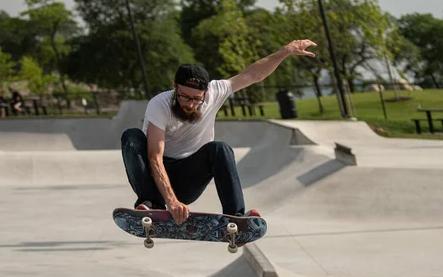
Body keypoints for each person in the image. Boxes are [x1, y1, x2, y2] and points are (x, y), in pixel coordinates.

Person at [121, 39, 316, 225]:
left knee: (220, 149)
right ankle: (152, 205)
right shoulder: (159, 104)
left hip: (189, 178)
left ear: (206, 91)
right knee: (131, 137)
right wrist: (170, 202)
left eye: (197, 99)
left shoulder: (216, 91)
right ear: (175, 87)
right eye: (184, 97)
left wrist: (285, 52)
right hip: (157, 178)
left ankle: (235, 217)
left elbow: (252, 75)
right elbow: (154, 157)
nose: (190, 104)